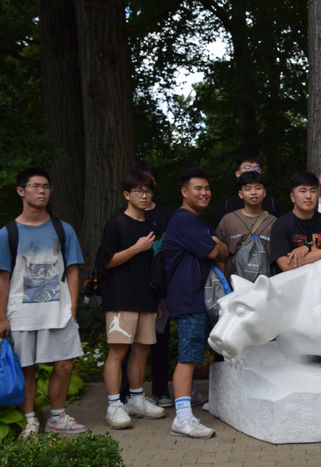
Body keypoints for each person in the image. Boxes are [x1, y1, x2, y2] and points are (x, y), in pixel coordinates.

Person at [0, 168, 87, 438]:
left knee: (64, 364)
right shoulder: (8, 233)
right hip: (21, 314)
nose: (42, 191)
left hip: (58, 311)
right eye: (36, 186)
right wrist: (1, 316)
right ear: (21, 191)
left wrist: (72, 308)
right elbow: (3, 277)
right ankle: (30, 420)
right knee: (26, 367)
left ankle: (57, 417)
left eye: (46, 187)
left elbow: (73, 270)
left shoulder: (63, 229)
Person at [164, 168, 228, 439]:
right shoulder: (184, 220)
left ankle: (189, 408)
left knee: (195, 354)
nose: (204, 193)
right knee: (188, 357)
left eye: (207, 188)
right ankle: (182, 418)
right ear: (184, 192)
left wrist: (216, 245)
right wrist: (216, 245)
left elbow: (222, 250)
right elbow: (215, 251)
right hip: (188, 298)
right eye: (198, 188)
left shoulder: (198, 222)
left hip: (199, 298)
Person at [100, 171, 165, 429]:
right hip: (119, 296)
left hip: (146, 296)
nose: (144, 195)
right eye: (138, 191)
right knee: (118, 350)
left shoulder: (152, 225)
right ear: (127, 195)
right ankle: (114, 404)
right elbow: (106, 261)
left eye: (148, 191)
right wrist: (136, 249)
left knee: (142, 349)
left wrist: (157, 298)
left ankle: (136, 399)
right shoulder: (116, 223)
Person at [116, 160, 174, 408]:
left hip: (159, 288)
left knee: (158, 343)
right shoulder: (121, 219)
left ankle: (160, 390)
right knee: (125, 346)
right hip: (128, 289)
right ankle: (123, 394)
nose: (143, 191)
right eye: (137, 187)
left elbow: (167, 252)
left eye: (147, 185)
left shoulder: (165, 215)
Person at [270, 171, 321, 272]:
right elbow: (286, 265)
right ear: (292, 197)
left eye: (313, 191)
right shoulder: (280, 225)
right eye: (303, 191)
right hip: (290, 285)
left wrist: (310, 249)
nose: (308, 196)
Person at [215, 171, 277, 279]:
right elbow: (220, 257)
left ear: (264, 192)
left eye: (258, 188)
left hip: (265, 284)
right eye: (248, 189)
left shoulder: (273, 222)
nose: (253, 192)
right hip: (234, 284)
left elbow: (277, 260)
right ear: (240, 194)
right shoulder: (228, 220)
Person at [213, 154, 284, 225]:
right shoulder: (227, 205)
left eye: (256, 168)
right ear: (238, 173)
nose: (252, 171)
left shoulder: (272, 203)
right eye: (247, 168)